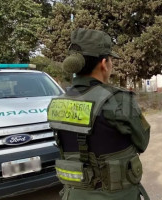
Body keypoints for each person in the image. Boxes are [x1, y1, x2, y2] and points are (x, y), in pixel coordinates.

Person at [47, 29, 150, 200]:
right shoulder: (119, 100)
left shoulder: (57, 103)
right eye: (111, 60)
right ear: (104, 63)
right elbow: (142, 142)